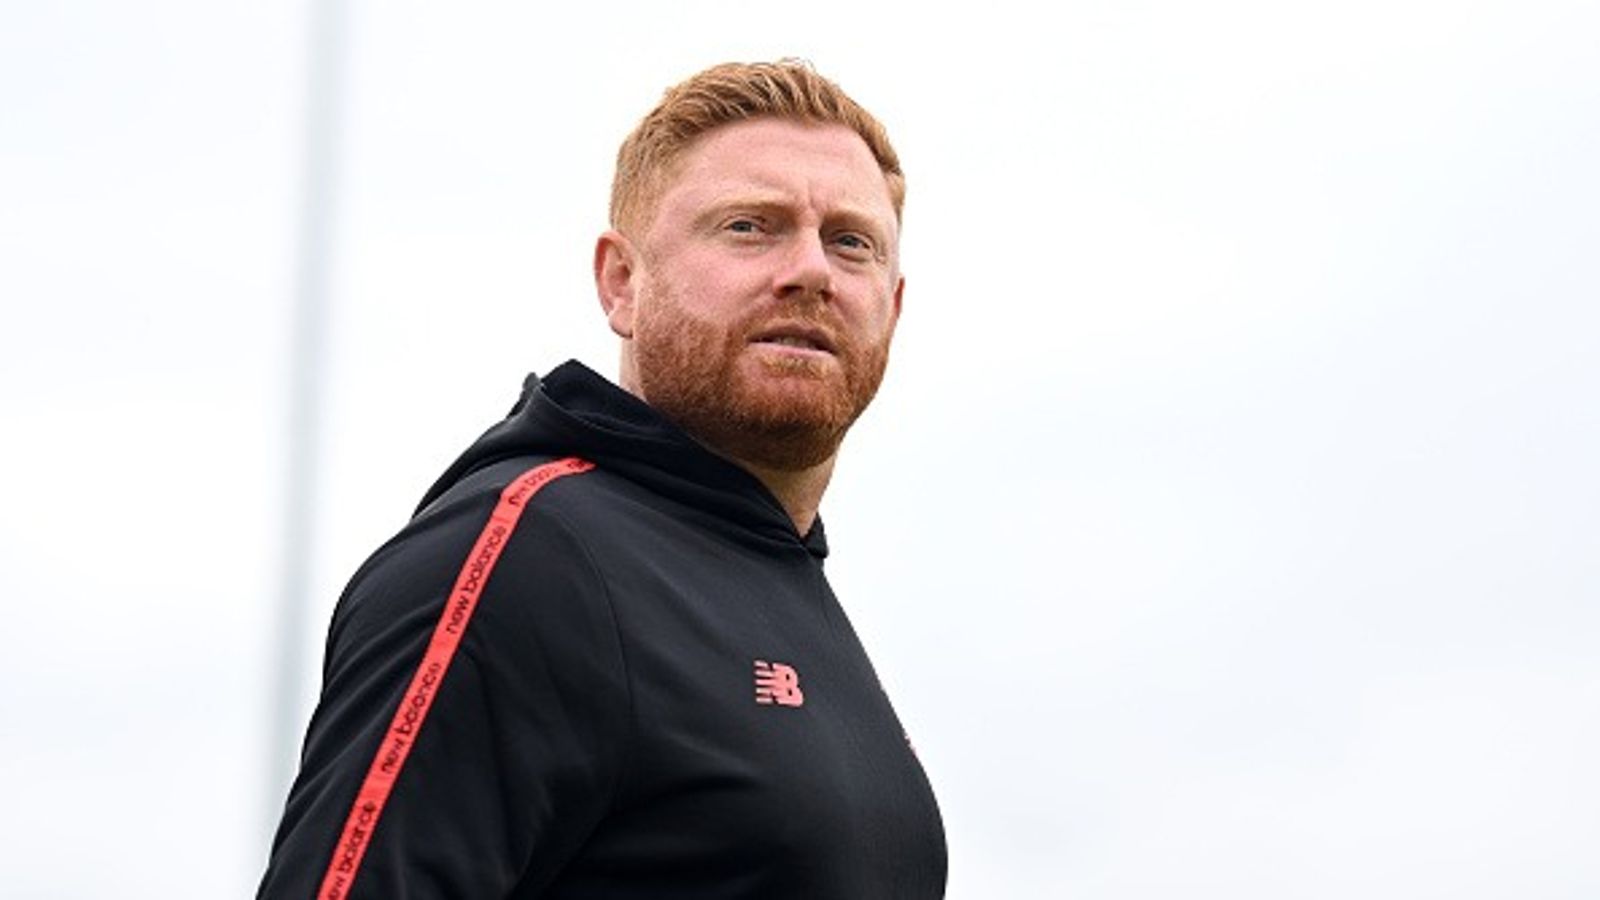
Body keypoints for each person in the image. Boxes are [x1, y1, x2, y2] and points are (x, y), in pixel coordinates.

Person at [258, 59, 946, 899]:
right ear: (621, 282)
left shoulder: (785, 584)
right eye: (748, 227)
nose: (810, 270)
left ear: (893, 305)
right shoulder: (527, 557)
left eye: (851, 242)